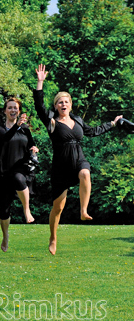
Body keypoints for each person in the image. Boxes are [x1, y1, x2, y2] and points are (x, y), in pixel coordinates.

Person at [34, 64, 122, 255]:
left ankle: (83, 210)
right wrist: (40, 82)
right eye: (59, 102)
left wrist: (112, 124)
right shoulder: (51, 121)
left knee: (85, 172)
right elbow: (39, 106)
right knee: (58, 208)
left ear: (71, 104)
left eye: (66, 101)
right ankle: (53, 238)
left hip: (78, 160)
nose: (63, 104)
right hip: (61, 166)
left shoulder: (78, 121)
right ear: (56, 106)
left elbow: (93, 132)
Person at [0, 98, 40, 252]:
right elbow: (5, 139)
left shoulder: (25, 129)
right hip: (3, 172)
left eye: (16, 108)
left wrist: (34, 149)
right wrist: (17, 126)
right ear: (5, 110)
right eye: (10, 108)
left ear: (19, 111)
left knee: (19, 179)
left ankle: (27, 210)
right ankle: (5, 236)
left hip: (21, 168)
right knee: (4, 209)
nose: (13, 110)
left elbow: (31, 143)